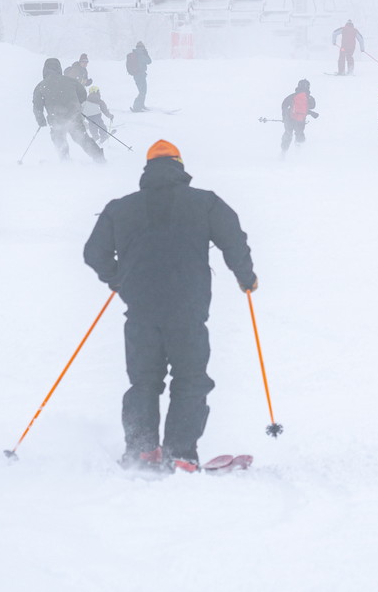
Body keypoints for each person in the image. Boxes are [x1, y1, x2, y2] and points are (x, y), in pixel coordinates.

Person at [83, 140, 258, 473]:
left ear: (147, 170)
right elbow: (234, 239)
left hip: (141, 310)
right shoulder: (204, 203)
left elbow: (94, 253)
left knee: (143, 381)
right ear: (179, 166)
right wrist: (246, 277)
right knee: (190, 378)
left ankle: (142, 449)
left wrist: (118, 279)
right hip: (188, 310)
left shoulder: (121, 208)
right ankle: (180, 453)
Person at [33, 57, 105, 163]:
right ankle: (99, 157)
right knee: (81, 138)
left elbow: (37, 106)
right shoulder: (70, 81)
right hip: (73, 115)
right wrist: (77, 105)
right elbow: (83, 94)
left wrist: (41, 120)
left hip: (55, 118)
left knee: (59, 138)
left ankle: (65, 160)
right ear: (59, 69)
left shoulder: (40, 86)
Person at [280, 79, 318, 154]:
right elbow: (312, 106)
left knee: (288, 133)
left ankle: (283, 151)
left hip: (289, 118)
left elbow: (284, 105)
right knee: (299, 133)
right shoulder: (309, 98)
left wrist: (284, 117)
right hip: (300, 120)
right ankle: (299, 150)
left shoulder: (292, 96)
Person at [126, 42, 152, 112]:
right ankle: (137, 107)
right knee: (143, 91)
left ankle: (141, 105)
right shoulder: (141, 54)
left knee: (142, 91)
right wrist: (146, 54)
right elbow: (149, 61)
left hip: (137, 75)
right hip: (140, 75)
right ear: (142, 47)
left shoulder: (136, 53)